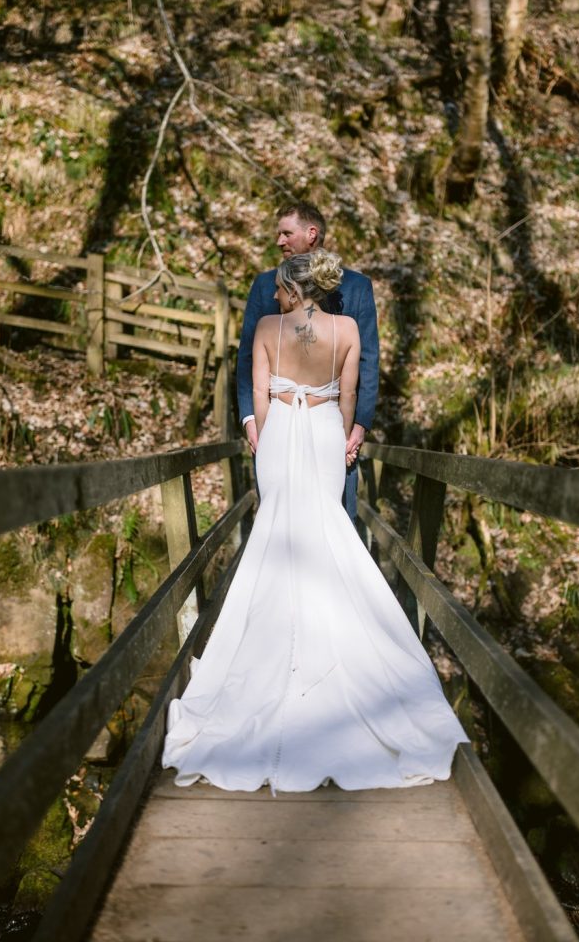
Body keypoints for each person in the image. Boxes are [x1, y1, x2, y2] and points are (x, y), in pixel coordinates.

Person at [162, 249, 467, 792]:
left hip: (280, 433)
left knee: (276, 533)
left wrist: (259, 433)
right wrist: (344, 437)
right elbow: (348, 396)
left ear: (294, 289)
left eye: (280, 288)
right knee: (328, 531)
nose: (275, 295)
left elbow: (258, 393)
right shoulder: (347, 327)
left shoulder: (267, 327)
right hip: (326, 431)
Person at [236, 201, 379, 521]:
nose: (279, 241)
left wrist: (359, 424)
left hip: (332, 430)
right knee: (278, 520)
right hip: (277, 426)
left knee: (336, 518)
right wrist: (251, 423)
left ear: (311, 234)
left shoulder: (356, 287)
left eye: (286, 233)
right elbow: (246, 358)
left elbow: (369, 359)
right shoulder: (264, 285)